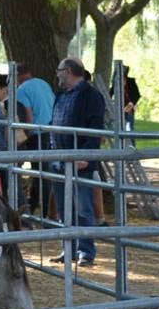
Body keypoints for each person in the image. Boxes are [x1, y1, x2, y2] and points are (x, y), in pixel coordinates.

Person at [50, 57, 106, 266]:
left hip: (79, 161)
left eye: (60, 70)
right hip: (59, 158)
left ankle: (86, 251)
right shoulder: (62, 96)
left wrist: (85, 155)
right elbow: (54, 123)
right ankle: (69, 249)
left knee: (83, 208)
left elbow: (95, 128)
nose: (57, 74)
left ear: (70, 71)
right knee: (65, 209)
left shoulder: (90, 96)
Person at [15, 64, 57, 214]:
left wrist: (23, 136)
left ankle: (46, 212)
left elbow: (29, 116)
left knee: (42, 174)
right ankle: (33, 207)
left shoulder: (21, 90)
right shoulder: (43, 83)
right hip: (52, 130)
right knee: (42, 173)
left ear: (18, 75)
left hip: (37, 134)